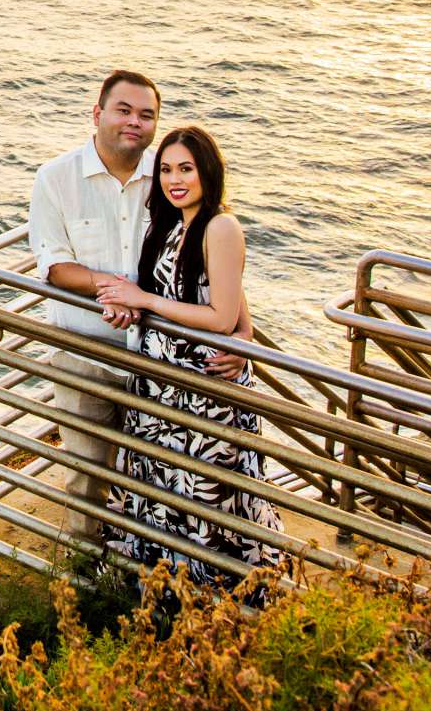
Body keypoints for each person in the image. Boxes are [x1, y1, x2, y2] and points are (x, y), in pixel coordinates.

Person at [27, 75, 248, 545]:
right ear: (98, 113)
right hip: (88, 352)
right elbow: (54, 264)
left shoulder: (168, 173)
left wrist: (242, 336)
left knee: (163, 479)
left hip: (161, 365)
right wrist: (115, 291)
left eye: (146, 115)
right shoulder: (56, 178)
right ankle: (84, 578)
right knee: (87, 477)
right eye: (124, 110)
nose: (135, 122)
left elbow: (212, 256)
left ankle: (156, 577)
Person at [92, 124, 285, 584]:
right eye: (165, 170)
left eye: (186, 169)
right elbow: (229, 298)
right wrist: (246, 333)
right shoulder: (171, 224)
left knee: (207, 496)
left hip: (205, 392)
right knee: (162, 490)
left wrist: (147, 301)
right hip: (163, 389)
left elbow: (220, 314)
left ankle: (214, 598)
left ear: (208, 172)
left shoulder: (220, 225)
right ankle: (166, 590)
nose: (175, 179)